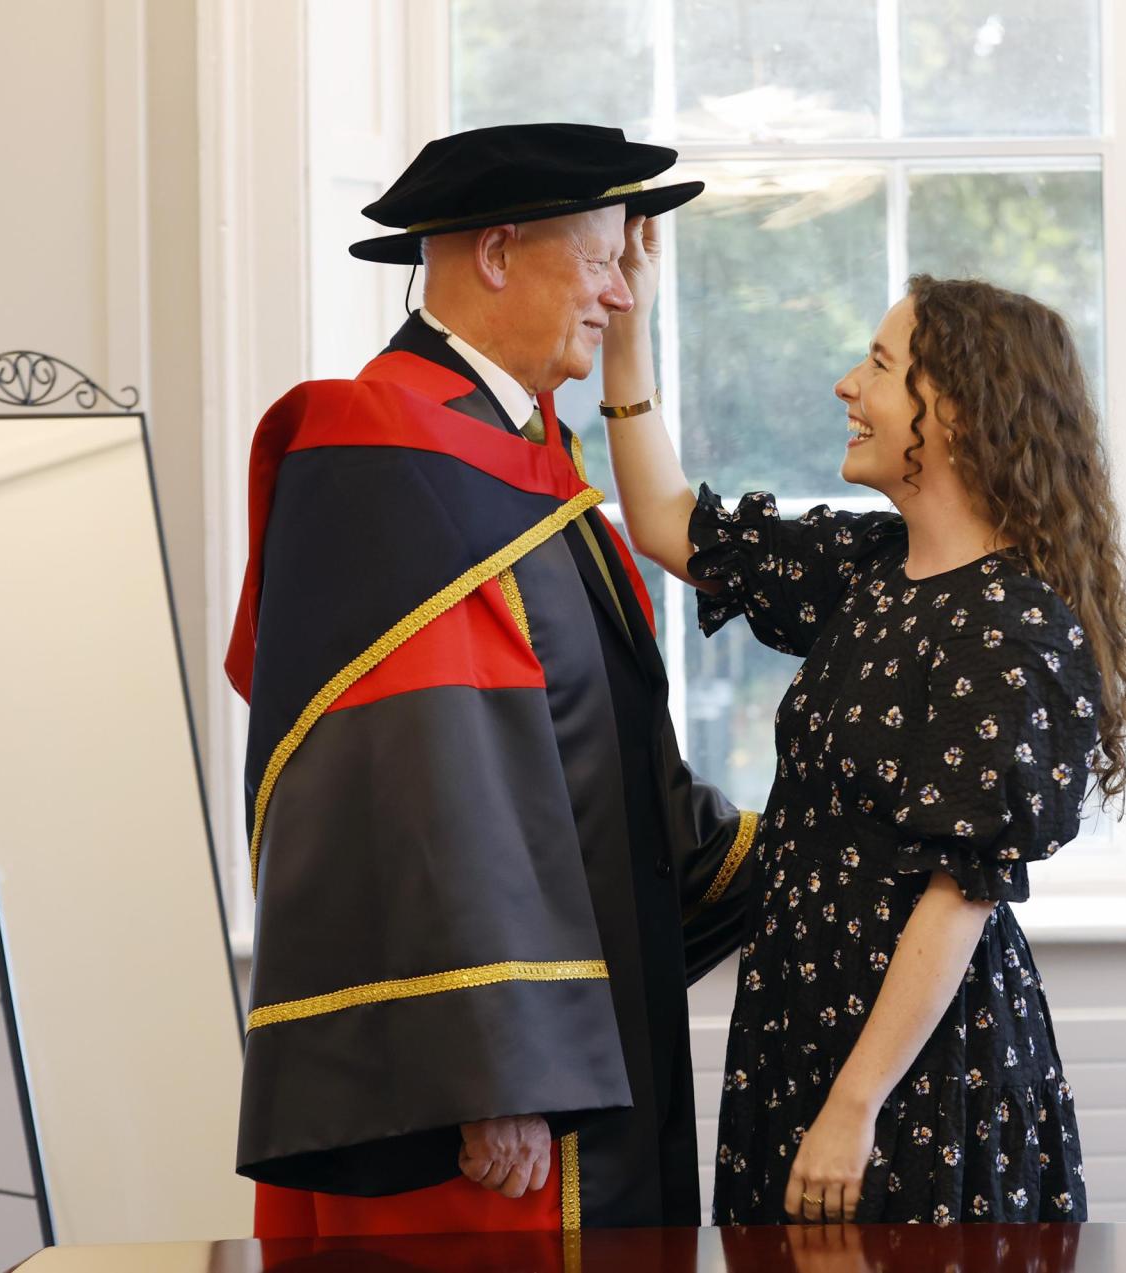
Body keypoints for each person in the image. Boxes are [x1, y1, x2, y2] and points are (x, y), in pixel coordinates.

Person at [224, 123, 760, 1238]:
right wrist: (491, 1065)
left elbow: (601, 759)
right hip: (498, 1086)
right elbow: (417, 780)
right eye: (606, 260)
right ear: (500, 253)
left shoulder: (517, 463)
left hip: (579, 1043)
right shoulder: (387, 457)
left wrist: (832, 842)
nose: (623, 295)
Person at [602, 218, 1126, 1225]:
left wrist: (855, 1105)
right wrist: (625, 338)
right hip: (797, 1027)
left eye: (881, 365)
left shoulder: (1017, 627)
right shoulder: (868, 567)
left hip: (914, 1070)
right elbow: (669, 524)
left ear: (954, 415)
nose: (848, 386)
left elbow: (961, 894)